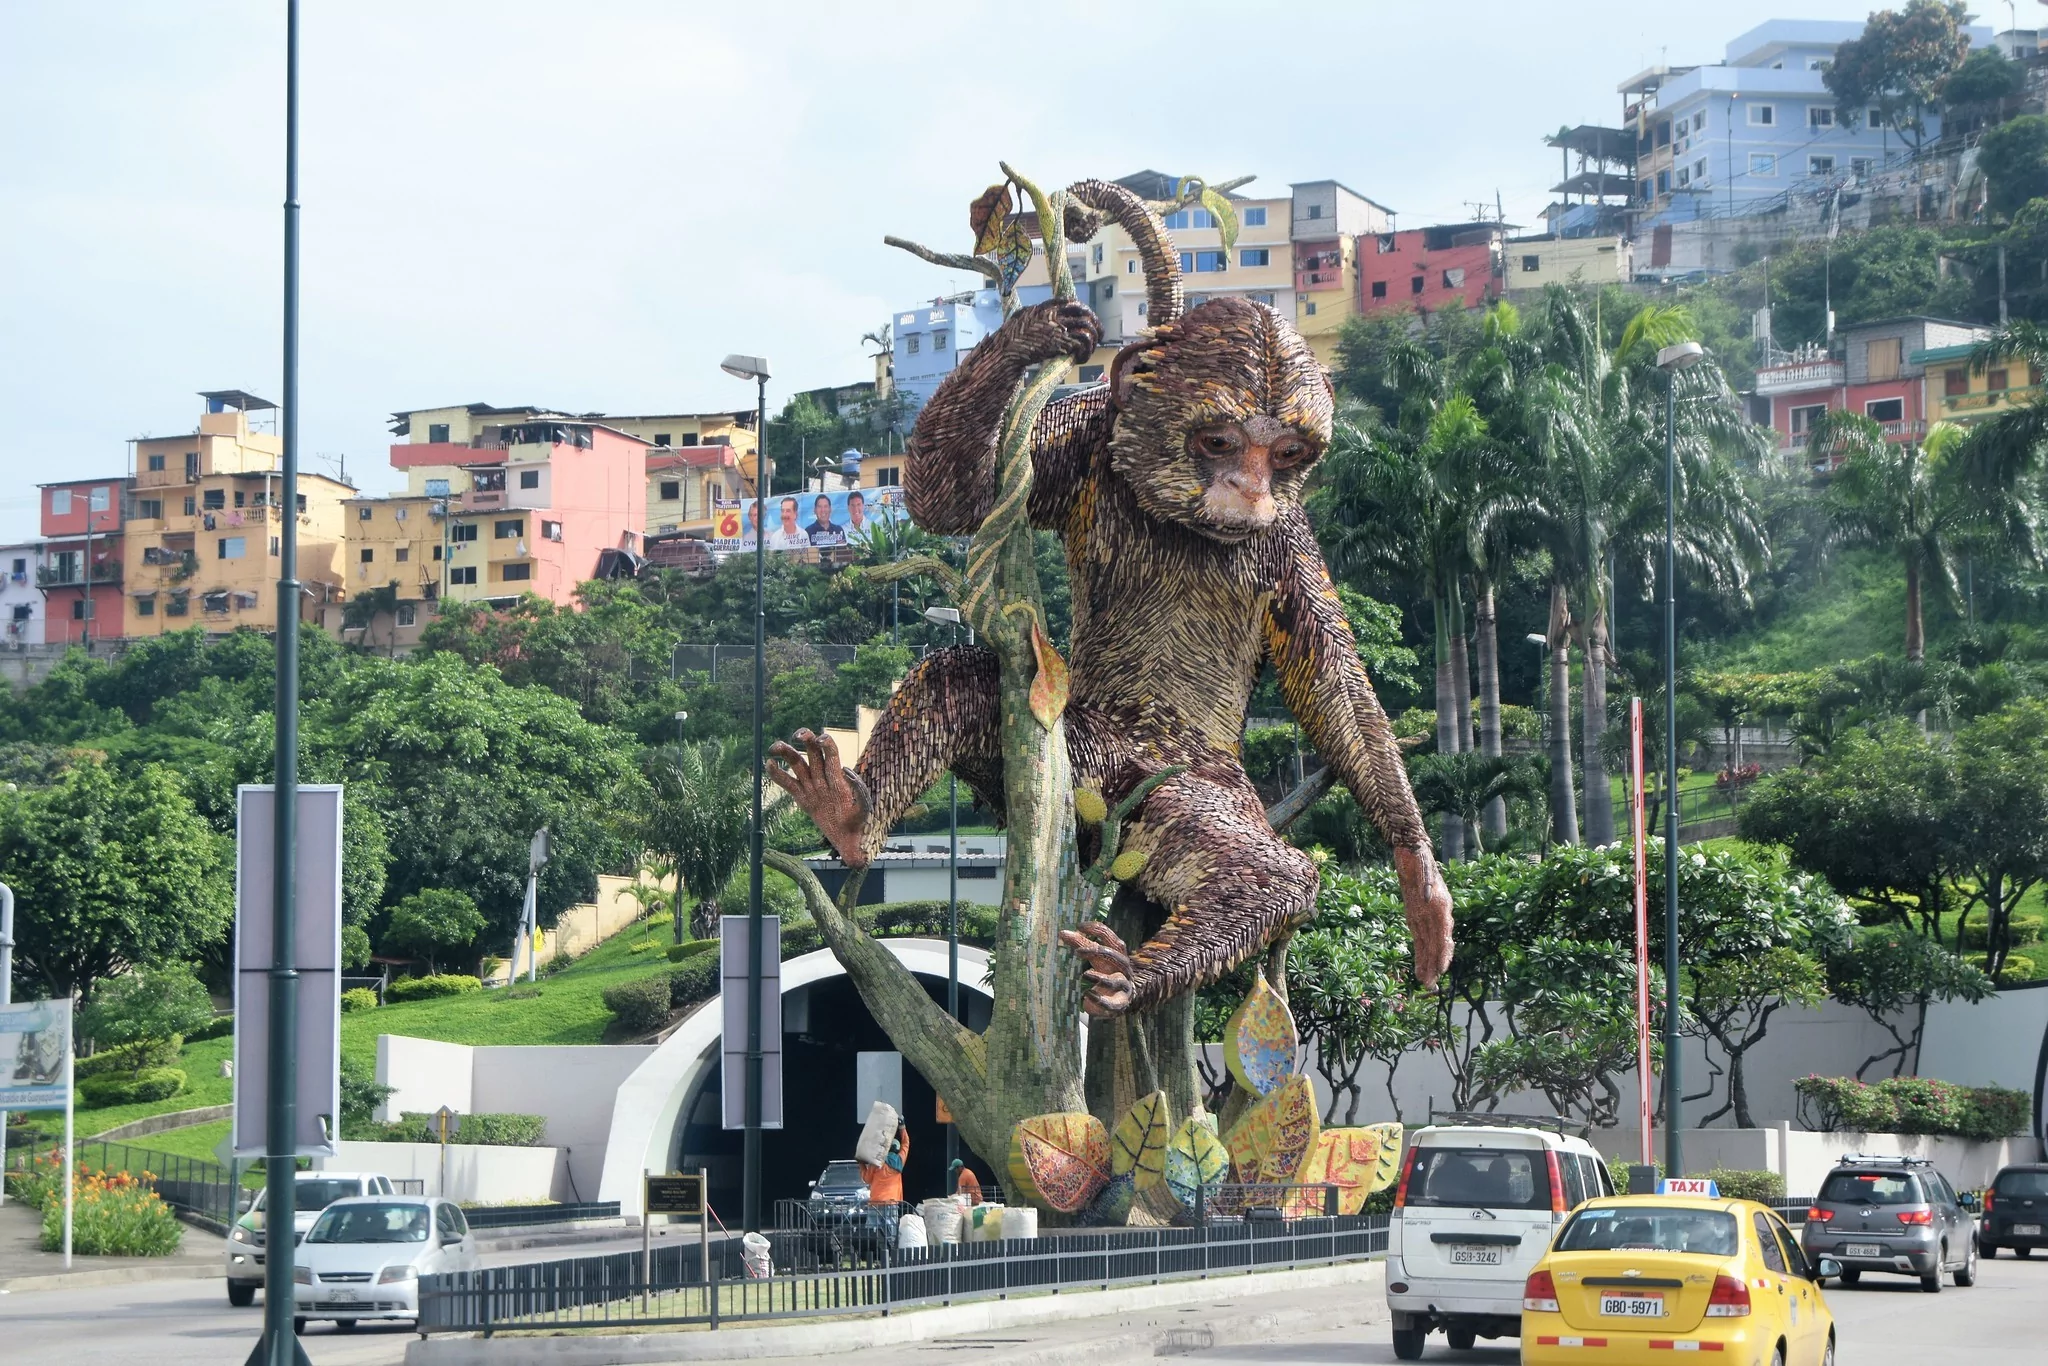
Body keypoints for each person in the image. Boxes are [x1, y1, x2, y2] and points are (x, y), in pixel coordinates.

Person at [860, 1124, 908, 1206]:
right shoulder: (899, 1160)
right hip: (892, 1202)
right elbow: (905, 1143)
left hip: (876, 1202)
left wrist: (862, 1164)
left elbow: (867, 1179)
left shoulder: (876, 1162)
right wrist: (902, 1127)